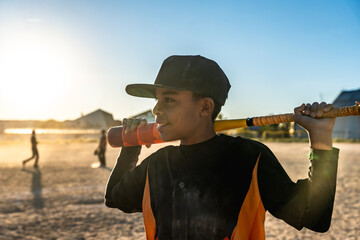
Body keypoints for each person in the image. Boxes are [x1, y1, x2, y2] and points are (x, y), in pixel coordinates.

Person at [105, 55, 339, 239]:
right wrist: (131, 144)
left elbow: (314, 216)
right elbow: (115, 197)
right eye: (156, 100)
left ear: (205, 107)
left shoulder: (249, 159)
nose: (156, 110)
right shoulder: (156, 165)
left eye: (168, 99)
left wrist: (320, 138)